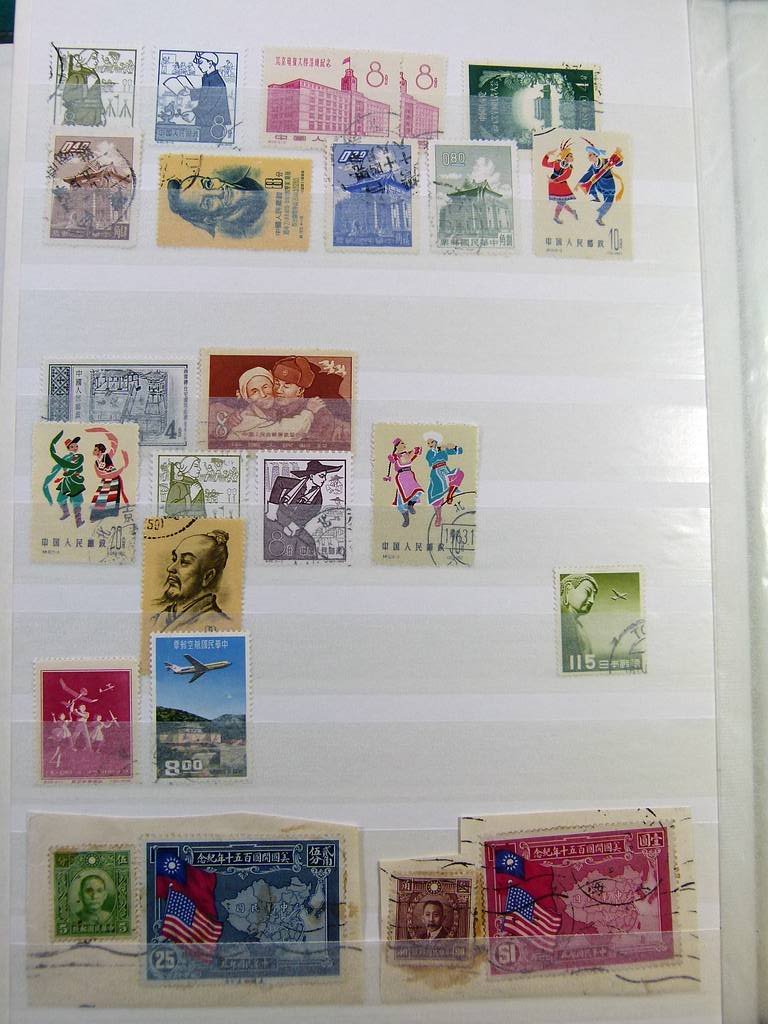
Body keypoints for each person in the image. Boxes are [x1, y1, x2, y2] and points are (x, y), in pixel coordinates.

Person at [151, 529, 232, 631]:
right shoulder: (158, 619)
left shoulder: (217, 622)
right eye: (174, 559)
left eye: (185, 562)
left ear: (207, 576)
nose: (170, 568)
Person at [221, 365, 324, 444]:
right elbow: (286, 432)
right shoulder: (245, 419)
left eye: (265, 387)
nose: (263, 394)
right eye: (254, 391)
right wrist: (309, 411)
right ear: (247, 398)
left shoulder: (277, 407)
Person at [266, 460, 342, 559]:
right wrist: (272, 510)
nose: (324, 480)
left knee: (309, 543)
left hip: (293, 522)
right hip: (279, 513)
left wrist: (293, 527)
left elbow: (309, 515)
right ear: (311, 476)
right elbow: (279, 481)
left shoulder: (318, 498)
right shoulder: (296, 484)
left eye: (325, 477)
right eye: (321, 476)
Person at [166, 165, 267, 239]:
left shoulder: (254, 172)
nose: (219, 192)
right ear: (211, 219)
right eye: (208, 202)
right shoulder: (253, 235)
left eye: (208, 184)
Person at [42, 432, 86, 527]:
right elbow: (59, 466)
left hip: (75, 481)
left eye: (76, 446)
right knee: (60, 499)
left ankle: (78, 521)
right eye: (72, 446)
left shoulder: (79, 457)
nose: (75, 448)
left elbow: (76, 466)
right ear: (68, 448)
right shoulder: (66, 458)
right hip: (66, 482)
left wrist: (68, 471)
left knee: (76, 501)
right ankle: (66, 513)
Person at [86, 426, 130, 522]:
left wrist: (105, 431)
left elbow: (114, 444)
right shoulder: (96, 462)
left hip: (114, 479)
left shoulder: (107, 456)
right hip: (105, 480)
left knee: (112, 498)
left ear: (100, 451)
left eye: (95, 449)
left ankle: (110, 516)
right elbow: (99, 474)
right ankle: (97, 516)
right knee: (100, 498)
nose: (94, 451)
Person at [578, 141, 624, 226]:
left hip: (608, 184)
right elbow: (588, 174)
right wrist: (579, 183)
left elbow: (619, 164)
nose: (588, 157)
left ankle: (599, 217)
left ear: (596, 155)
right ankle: (595, 198)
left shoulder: (606, 161)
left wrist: (618, 160)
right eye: (588, 155)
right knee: (591, 184)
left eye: (590, 155)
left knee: (609, 201)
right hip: (599, 183)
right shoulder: (593, 166)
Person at [424, 432, 464, 528]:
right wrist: (439, 449)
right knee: (436, 496)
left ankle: (450, 494)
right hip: (436, 473)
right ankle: (438, 517)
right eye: (428, 443)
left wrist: (454, 447)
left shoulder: (444, 449)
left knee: (459, 473)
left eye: (432, 442)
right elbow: (431, 461)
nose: (430, 444)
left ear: (436, 441)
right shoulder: (430, 452)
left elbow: (460, 451)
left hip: (445, 470)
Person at [190, 52, 231, 143]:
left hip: (213, 123)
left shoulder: (216, 80)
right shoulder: (208, 77)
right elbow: (206, 92)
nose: (199, 66)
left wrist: (194, 113)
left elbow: (210, 102)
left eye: (201, 62)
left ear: (210, 63)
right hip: (207, 121)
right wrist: (191, 93)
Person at [560, 573, 599, 669]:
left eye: (594, 596)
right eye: (588, 592)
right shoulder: (562, 621)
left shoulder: (577, 625)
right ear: (568, 589)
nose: (592, 601)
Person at [384, 438, 423, 528]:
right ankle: (406, 519)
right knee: (401, 501)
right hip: (402, 478)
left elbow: (413, 454)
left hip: (410, 476)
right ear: (397, 446)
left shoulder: (408, 454)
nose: (404, 444)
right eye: (402, 443)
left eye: (404, 443)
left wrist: (415, 451)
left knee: (418, 492)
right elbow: (397, 460)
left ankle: (410, 505)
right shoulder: (395, 456)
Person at [61, 49, 106, 127]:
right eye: (94, 58)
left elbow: (97, 97)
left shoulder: (94, 77)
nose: (97, 61)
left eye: (96, 58)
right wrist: (87, 86)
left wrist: (101, 112)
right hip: (79, 118)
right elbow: (66, 96)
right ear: (85, 59)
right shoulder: (75, 76)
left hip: (95, 118)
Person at [541, 140, 578, 224]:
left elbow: (566, 176)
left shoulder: (569, 167)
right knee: (561, 202)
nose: (572, 158)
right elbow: (544, 164)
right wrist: (547, 154)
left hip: (561, 184)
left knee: (561, 202)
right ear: (565, 157)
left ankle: (558, 216)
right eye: (571, 156)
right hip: (554, 184)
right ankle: (568, 213)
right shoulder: (557, 163)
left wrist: (554, 180)